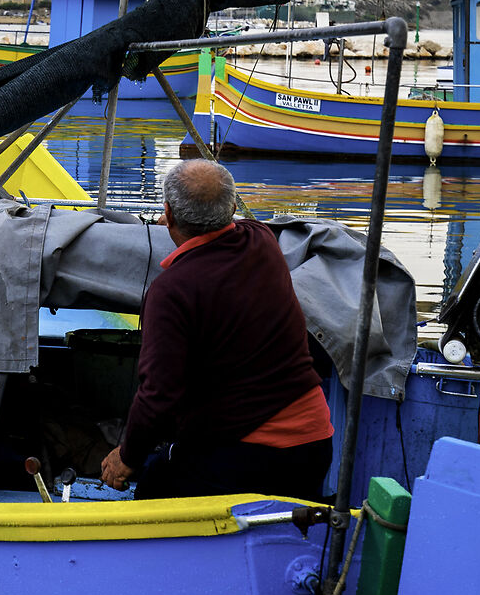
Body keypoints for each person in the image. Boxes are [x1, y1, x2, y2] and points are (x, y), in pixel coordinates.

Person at [98, 159, 334, 501]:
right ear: (234, 207)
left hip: (252, 455)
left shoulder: (170, 292)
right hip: (314, 445)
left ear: (168, 215)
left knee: (151, 492)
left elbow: (159, 397)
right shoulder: (263, 240)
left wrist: (127, 457)